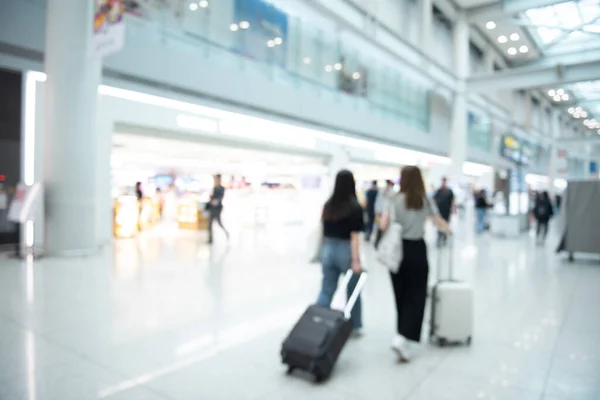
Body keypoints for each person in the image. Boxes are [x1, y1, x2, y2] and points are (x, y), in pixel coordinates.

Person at [379, 166, 451, 362]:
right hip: (417, 250)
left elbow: (383, 225)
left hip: (397, 250)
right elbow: (438, 221)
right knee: (417, 294)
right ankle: (403, 338)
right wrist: (448, 230)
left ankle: (400, 335)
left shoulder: (393, 200)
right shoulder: (424, 200)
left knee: (400, 293)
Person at [317, 170, 364, 335]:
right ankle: (354, 325)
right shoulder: (355, 207)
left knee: (326, 289)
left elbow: (323, 231)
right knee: (353, 290)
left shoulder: (328, 205)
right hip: (346, 250)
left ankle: (318, 321)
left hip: (328, 249)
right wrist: (356, 260)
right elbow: (355, 237)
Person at [207, 174, 229, 244]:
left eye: (216, 179)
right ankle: (210, 239)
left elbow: (220, 197)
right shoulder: (214, 187)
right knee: (210, 224)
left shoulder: (221, 188)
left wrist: (215, 201)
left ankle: (226, 233)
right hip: (212, 208)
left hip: (217, 208)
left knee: (219, 223)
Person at [433, 177, 455, 247]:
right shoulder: (438, 191)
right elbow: (434, 200)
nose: (444, 183)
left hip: (447, 211)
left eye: (445, 181)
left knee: (446, 225)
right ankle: (439, 239)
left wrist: (453, 209)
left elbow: (453, 200)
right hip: (439, 212)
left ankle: (444, 239)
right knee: (439, 225)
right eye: (443, 181)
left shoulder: (449, 191)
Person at [374, 180, 395, 248]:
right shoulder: (382, 191)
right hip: (382, 212)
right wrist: (377, 211)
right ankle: (378, 242)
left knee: (387, 228)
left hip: (389, 213)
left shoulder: (393, 192)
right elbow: (378, 201)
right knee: (380, 226)